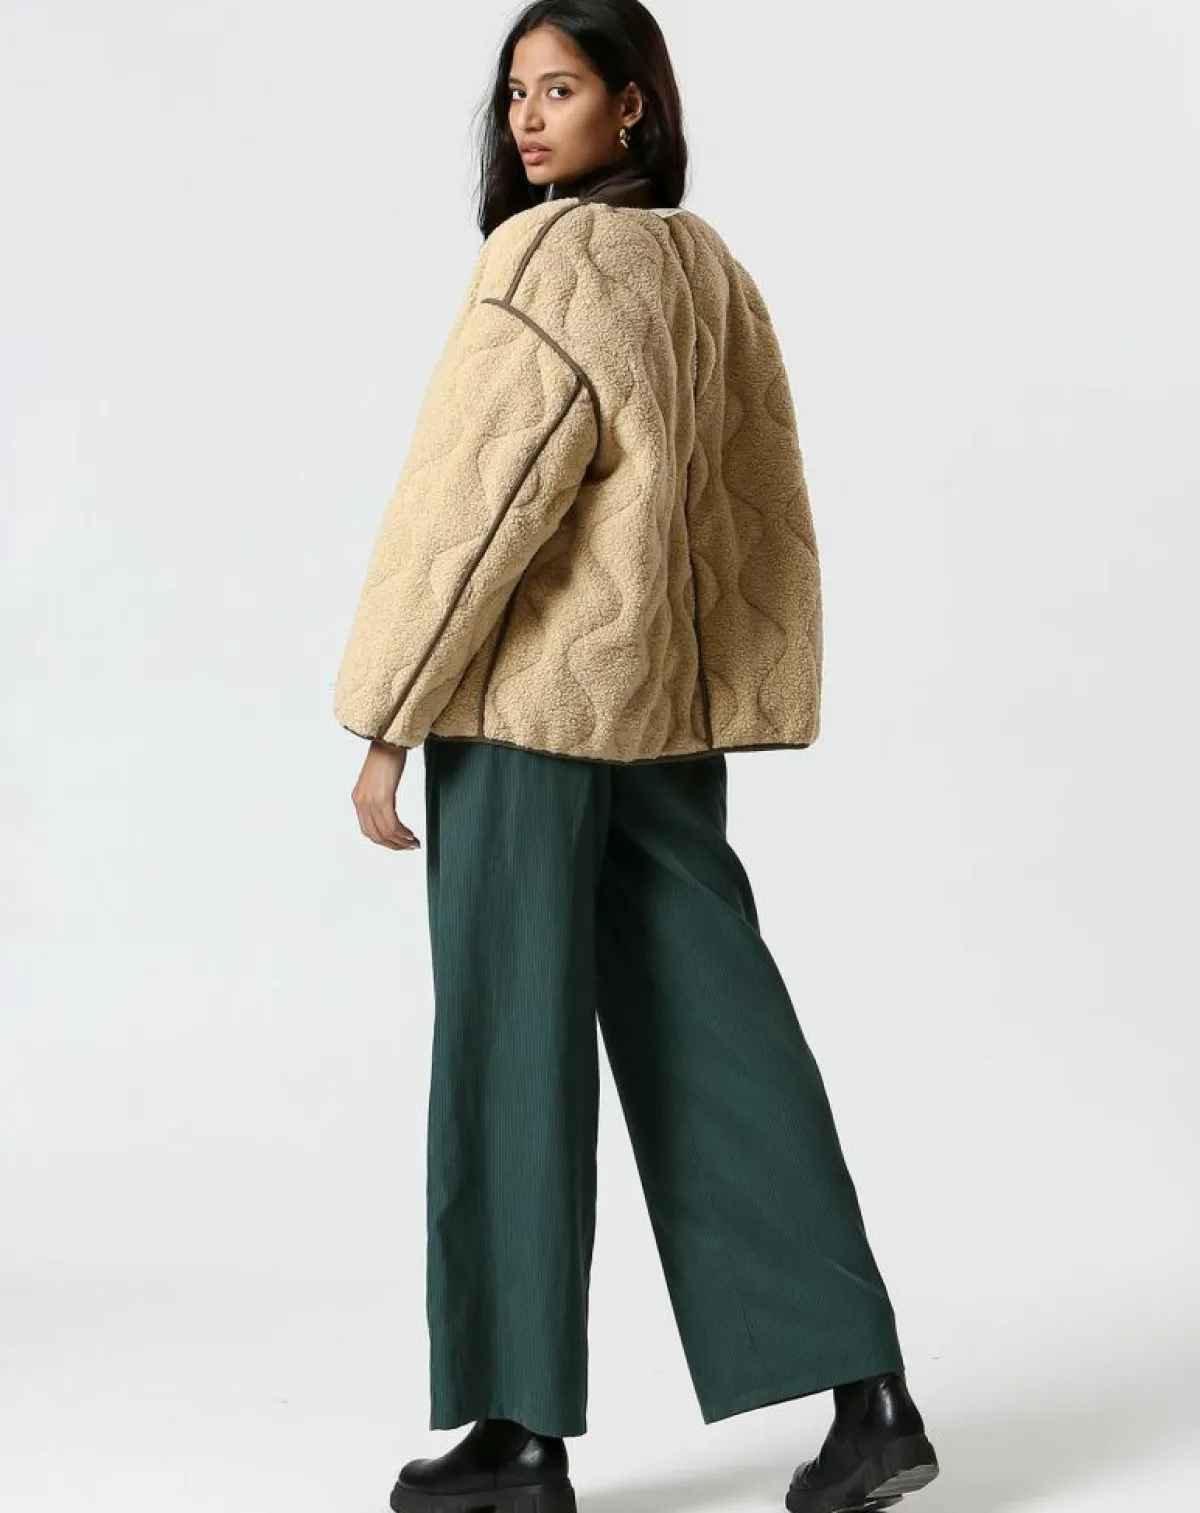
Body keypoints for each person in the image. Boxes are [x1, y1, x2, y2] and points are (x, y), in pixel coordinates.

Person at [332, 4, 940, 1511]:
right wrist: (724, 686)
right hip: (660, 715)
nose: (529, 119)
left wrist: (388, 715)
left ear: (633, 109)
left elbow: (476, 504)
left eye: (561, 89)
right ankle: (871, 1401)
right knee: (720, 1034)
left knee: (508, 1048)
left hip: (524, 719)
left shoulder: (544, 260)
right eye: (516, 93)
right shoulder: (706, 269)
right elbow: (757, 504)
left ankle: (516, 1438)